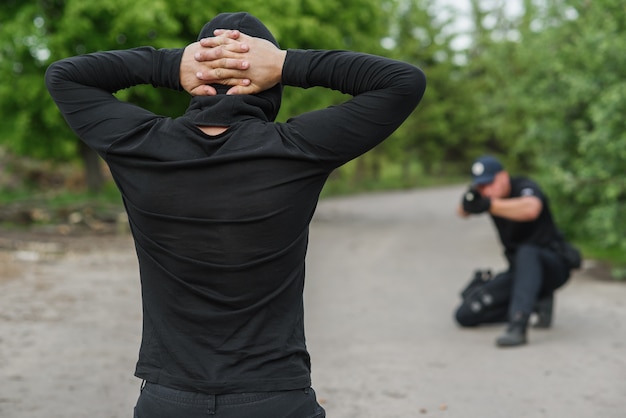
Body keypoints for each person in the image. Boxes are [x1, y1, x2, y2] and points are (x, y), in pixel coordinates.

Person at [45, 12, 426, 417]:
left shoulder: (141, 146)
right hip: (275, 398)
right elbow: (403, 82)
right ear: (267, 84)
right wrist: (285, 63)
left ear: (198, 79)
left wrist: (170, 64)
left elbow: (65, 76)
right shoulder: (296, 149)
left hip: (168, 400)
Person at [454, 155, 579, 348]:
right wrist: (471, 199)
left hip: (553, 266)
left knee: (527, 252)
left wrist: (489, 205)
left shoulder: (523, 186)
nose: (486, 190)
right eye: (481, 186)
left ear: (503, 177)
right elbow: (462, 212)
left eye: (489, 183)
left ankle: (518, 324)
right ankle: (537, 303)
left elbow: (531, 209)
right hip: (521, 274)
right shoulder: (488, 196)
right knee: (465, 314)